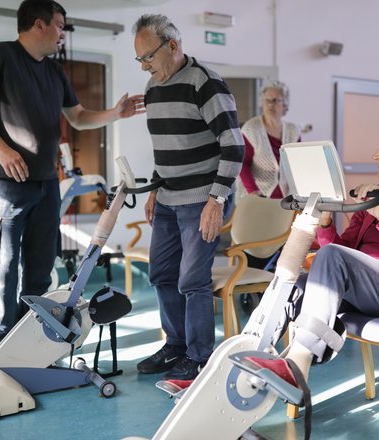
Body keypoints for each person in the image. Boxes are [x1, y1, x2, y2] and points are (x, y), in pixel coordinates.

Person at [0, 0, 144, 344]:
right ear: (38, 24)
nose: (62, 33)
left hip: (46, 184)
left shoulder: (55, 71)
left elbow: (78, 117)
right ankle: (1, 341)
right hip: (6, 185)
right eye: (59, 25)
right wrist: (2, 148)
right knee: (4, 267)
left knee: (41, 267)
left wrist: (116, 113)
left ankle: (31, 338)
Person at [245, 116, 379, 388]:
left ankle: (297, 365)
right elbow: (340, 253)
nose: (376, 154)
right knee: (296, 286)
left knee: (332, 257)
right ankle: (247, 356)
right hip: (365, 290)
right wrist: (325, 223)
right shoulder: (378, 194)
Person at [132, 14, 244, 381]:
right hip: (168, 196)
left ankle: (199, 357)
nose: (145, 66)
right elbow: (165, 148)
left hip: (202, 197)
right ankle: (176, 346)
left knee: (192, 280)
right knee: (162, 274)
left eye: (148, 57)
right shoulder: (153, 88)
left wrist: (216, 199)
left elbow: (234, 146)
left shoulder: (205, 83)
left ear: (173, 46)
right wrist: (154, 188)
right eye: (140, 60)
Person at [239, 80, 301, 199]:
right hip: (258, 197)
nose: (270, 104)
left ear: (285, 104)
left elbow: (298, 165)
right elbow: (242, 164)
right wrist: (253, 192)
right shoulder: (251, 129)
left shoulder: (293, 131)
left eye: (276, 100)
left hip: (287, 198)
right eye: (267, 100)